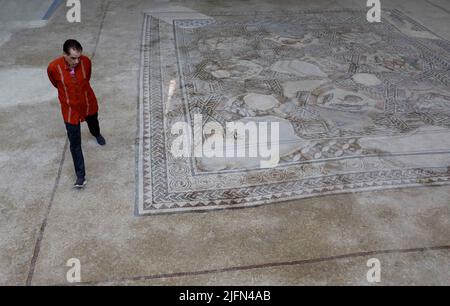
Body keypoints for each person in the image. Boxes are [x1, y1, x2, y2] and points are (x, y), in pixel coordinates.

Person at [47, 39, 106, 189]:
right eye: (73, 58)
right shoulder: (54, 67)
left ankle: (97, 133)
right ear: (64, 55)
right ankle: (81, 176)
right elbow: (55, 82)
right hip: (70, 111)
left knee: (93, 121)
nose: (77, 61)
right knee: (75, 143)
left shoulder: (86, 62)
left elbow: (88, 77)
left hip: (87, 103)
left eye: (79, 57)